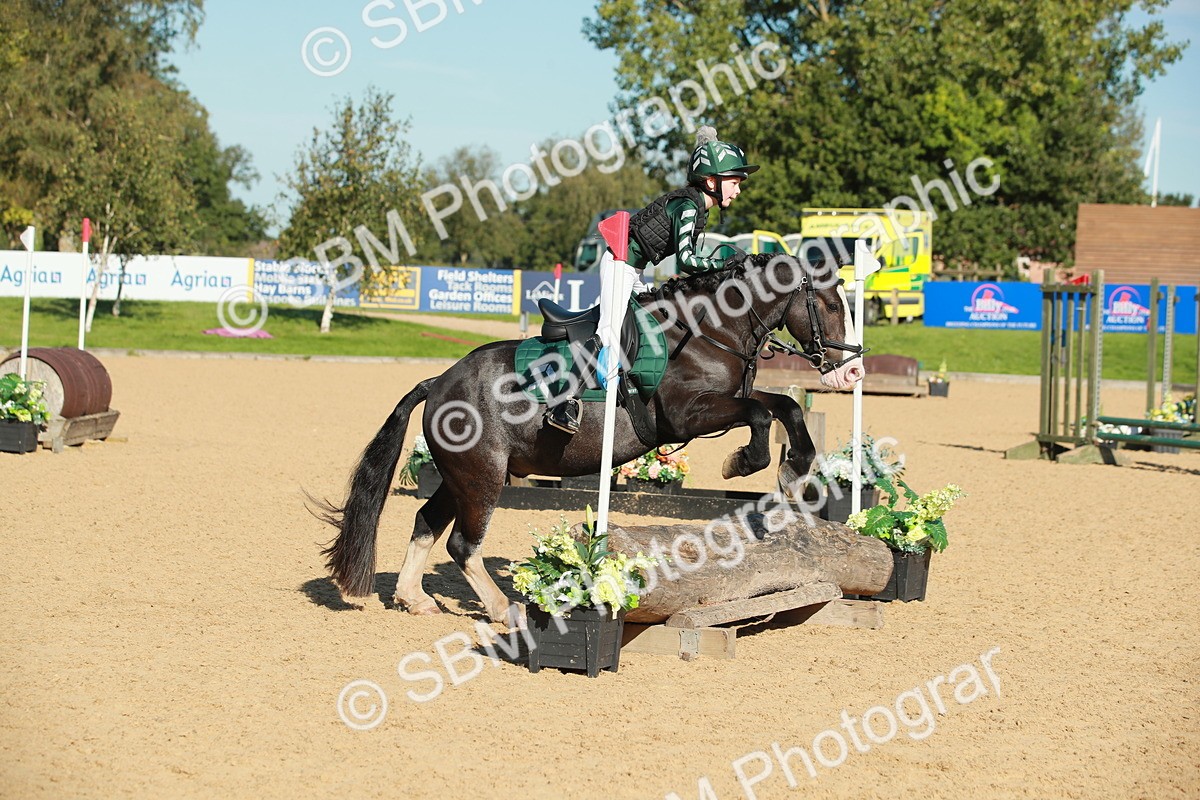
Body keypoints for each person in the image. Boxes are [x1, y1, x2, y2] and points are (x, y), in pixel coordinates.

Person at [546, 126, 758, 434]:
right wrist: (725, 263)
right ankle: (564, 403)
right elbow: (687, 261)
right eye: (734, 182)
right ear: (712, 181)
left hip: (635, 269)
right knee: (608, 332)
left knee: (658, 316)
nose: (738, 190)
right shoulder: (689, 206)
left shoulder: (698, 206)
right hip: (620, 264)